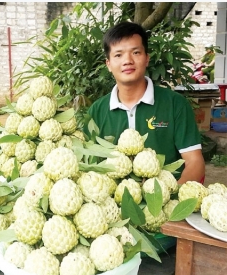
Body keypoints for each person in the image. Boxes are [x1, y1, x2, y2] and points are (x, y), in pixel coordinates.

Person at [87, 21, 205, 184]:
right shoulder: (96, 112)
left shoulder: (175, 105)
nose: (127, 60)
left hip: (168, 200)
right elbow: (89, 167)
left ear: (147, 58)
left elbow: (195, 162)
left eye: (135, 52)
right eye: (118, 55)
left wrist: (171, 197)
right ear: (108, 64)